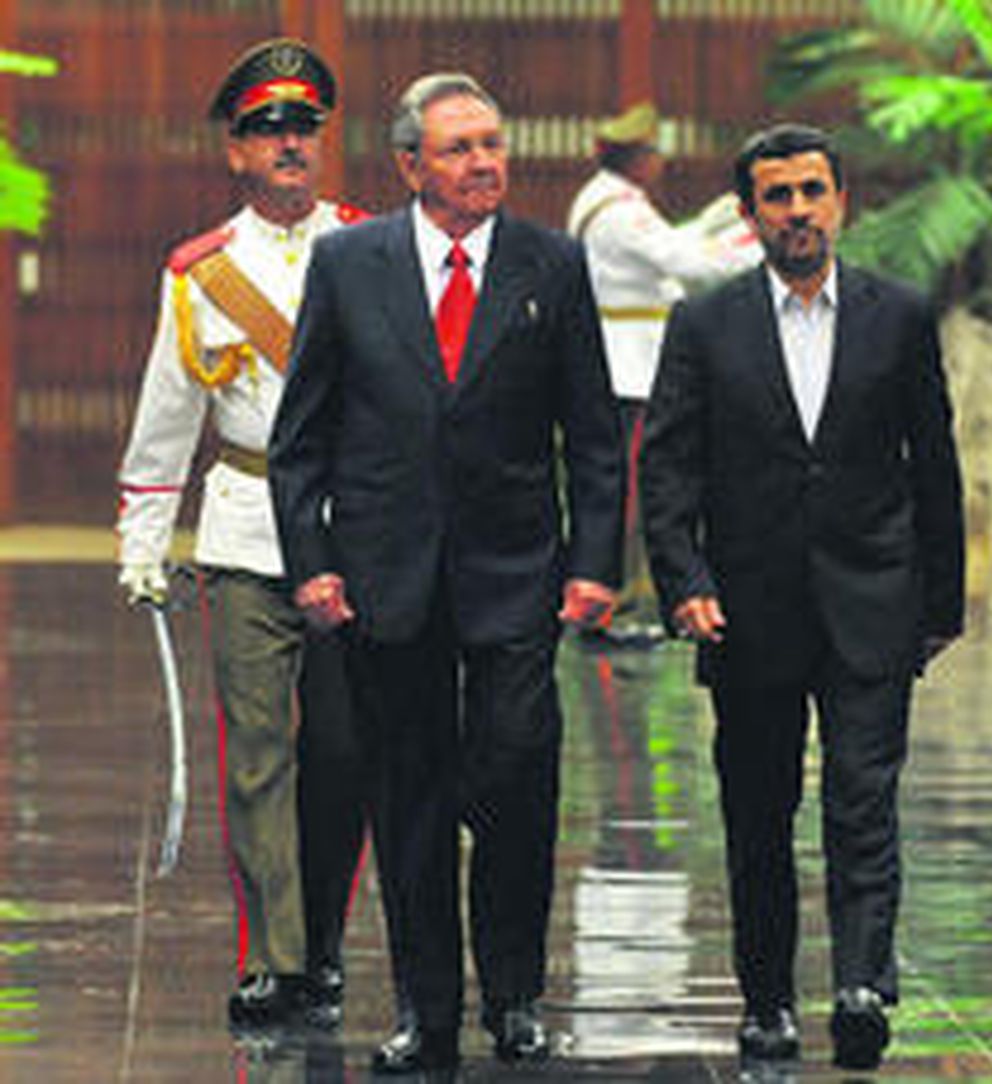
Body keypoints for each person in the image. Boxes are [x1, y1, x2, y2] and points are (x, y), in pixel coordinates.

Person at [268, 72, 624, 1074]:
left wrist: (596, 560)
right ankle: (427, 1010)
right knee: (409, 797)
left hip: (516, 574)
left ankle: (514, 996)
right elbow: (302, 435)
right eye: (460, 147)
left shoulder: (551, 264)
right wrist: (314, 563)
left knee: (515, 772)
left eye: (493, 144)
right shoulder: (348, 264)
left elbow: (593, 433)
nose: (484, 163)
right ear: (411, 164)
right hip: (387, 578)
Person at [639, 123, 966, 1071]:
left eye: (812, 192)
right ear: (750, 217)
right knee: (758, 811)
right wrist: (684, 583)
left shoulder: (897, 316)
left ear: (840, 202)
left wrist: (939, 604)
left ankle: (862, 983)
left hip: (874, 601)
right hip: (750, 609)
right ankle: (769, 1000)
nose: (798, 212)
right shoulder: (706, 325)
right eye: (776, 197)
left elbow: (933, 465)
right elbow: (667, 471)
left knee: (865, 799)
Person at [114, 38, 368, 1031]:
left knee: (345, 752)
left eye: (303, 126)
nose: (289, 143)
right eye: (268, 129)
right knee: (258, 750)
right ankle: (277, 956)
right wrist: (144, 540)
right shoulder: (199, 276)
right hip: (246, 532)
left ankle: (327, 941)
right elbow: (166, 416)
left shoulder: (373, 248)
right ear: (235, 151)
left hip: (352, 537)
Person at [566, 100, 758, 641]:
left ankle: (615, 603)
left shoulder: (608, 198)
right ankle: (613, 606)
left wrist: (717, 220)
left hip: (627, 356)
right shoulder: (623, 210)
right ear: (637, 157)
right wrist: (754, 240)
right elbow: (688, 264)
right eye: (655, 153)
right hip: (630, 362)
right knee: (629, 490)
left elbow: (671, 246)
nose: (662, 163)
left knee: (624, 486)